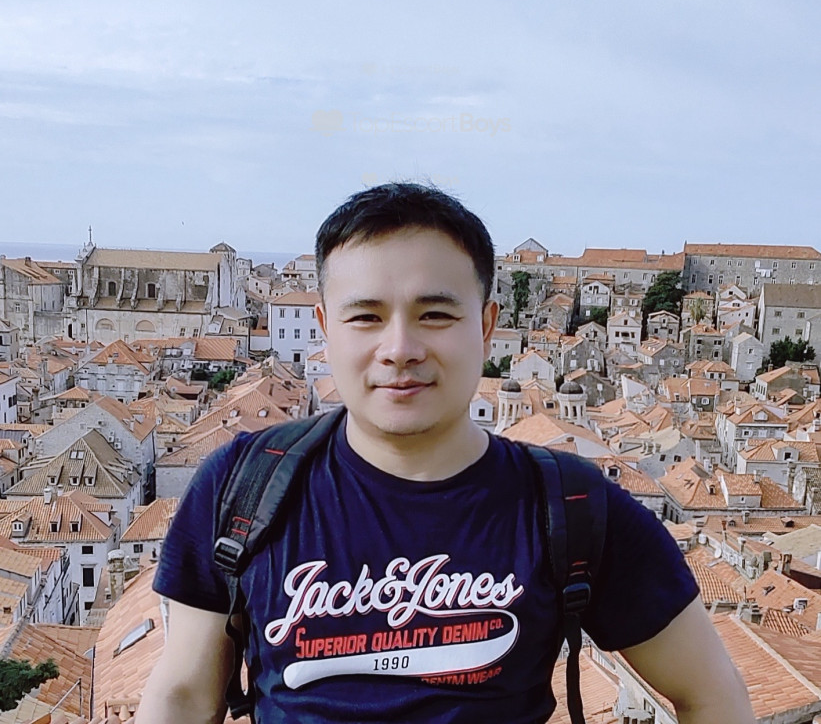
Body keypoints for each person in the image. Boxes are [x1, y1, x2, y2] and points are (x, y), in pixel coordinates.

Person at [136, 182, 754, 724]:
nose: (400, 348)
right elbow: (184, 696)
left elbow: (710, 693)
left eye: (434, 314)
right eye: (366, 317)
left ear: (485, 325)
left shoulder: (574, 508)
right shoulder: (242, 488)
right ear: (325, 328)